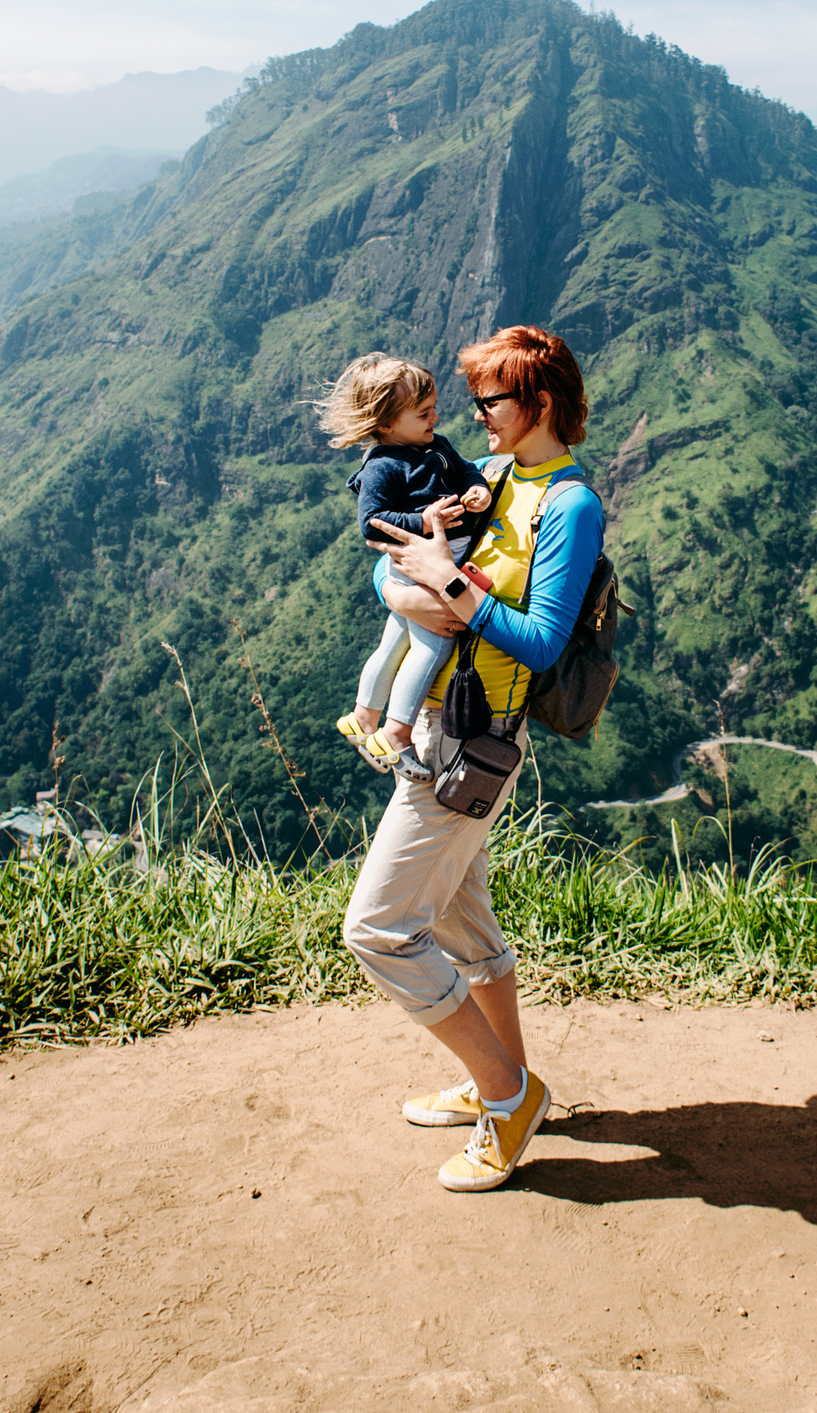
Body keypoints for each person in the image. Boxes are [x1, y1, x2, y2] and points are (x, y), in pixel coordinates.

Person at [344, 324, 605, 1193]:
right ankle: (501, 1084)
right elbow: (394, 570)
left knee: (378, 930)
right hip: (441, 723)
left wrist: (444, 583)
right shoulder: (495, 477)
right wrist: (412, 574)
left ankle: (507, 1094)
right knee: (466, 926)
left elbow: (539, 642)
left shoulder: (569, 505)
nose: (475, 414)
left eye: (489, 399)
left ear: (535, 403)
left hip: (478, 737)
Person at [317, 353, 494, 780]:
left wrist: (477, 491)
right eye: (423, 413)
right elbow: (371, 523)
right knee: (432, 648)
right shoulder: (382, 467)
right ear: (385, 423)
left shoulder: (436, 446)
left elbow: (467, 470)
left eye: (432, 408)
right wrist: (424, 520)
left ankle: (362, 717)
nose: (436, 417)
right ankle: (396, 734)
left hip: (432, 561)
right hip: (418, 564)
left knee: (394, 644)